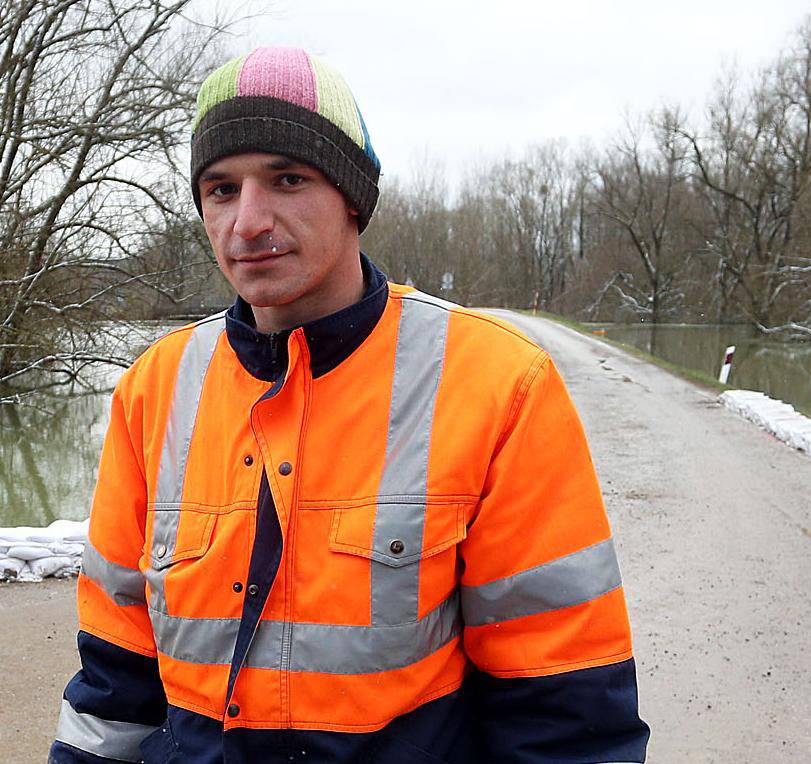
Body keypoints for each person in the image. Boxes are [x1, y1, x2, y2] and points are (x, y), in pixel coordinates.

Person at [49, 47, 650, 764]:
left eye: (287, 179)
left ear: (353, 198)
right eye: (220, 189)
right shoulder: (154, 388)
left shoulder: (496, 383)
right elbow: (115, 680)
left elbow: (564, 709)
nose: (247, 222)